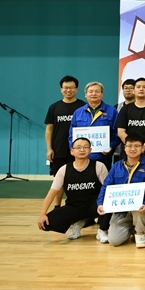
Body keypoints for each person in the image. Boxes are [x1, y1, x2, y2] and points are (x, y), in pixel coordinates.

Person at [37, 138, 110, 241]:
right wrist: (42, 214)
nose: (82, 150)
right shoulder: (64, 170)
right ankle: (78, 223)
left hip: (93, 205)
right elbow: (52, 193)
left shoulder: (99, 166)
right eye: (78, 147)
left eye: (85, 147)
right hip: (73, 207)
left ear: (90, 150)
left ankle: (102, 230)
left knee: (108, 202)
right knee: (46, 223)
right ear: (72, 151)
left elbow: (108, 189)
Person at [96, 133, 145, 248]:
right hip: (120, 209)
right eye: (129, 146)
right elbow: (106, 185)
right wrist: (100, 203)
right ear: (124, 148)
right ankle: (130, 228)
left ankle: (139, 232)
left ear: (142, 148)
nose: (133, 149)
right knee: (114, 241)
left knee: (139, 209)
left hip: (139, 208)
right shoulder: (117, 166)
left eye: (137, 146)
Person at [44, 75, 85, 207]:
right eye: (65, 87)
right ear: (61, 89)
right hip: (59, 150)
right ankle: (57, 206)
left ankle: (77, 206)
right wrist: (49, 148)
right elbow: (49, 128)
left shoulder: (83, 106)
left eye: (71, 87)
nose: (68, 90)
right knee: (59, 180)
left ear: (76, 89)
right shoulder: (54, 107)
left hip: (79, 151)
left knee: (79, 180)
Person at [69, 81, 119, 171]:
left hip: (103, 156)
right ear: (86, 94)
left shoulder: (112, 111)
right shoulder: (78, 112)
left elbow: (116, 133)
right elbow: (71, 134)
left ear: (102, 94)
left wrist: (111, 146)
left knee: (103, 179)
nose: (94, 94)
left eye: (97, 91)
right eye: (91, 91)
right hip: (82, 157)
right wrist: (72, 148)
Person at [117, 77, 145, 165]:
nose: (141, 89)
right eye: (138, 87)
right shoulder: (125, 109)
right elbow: (121, 131)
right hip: (128, 152)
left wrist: (143, 147)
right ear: (134, 91)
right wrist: (132, 147)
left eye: (144, 87)